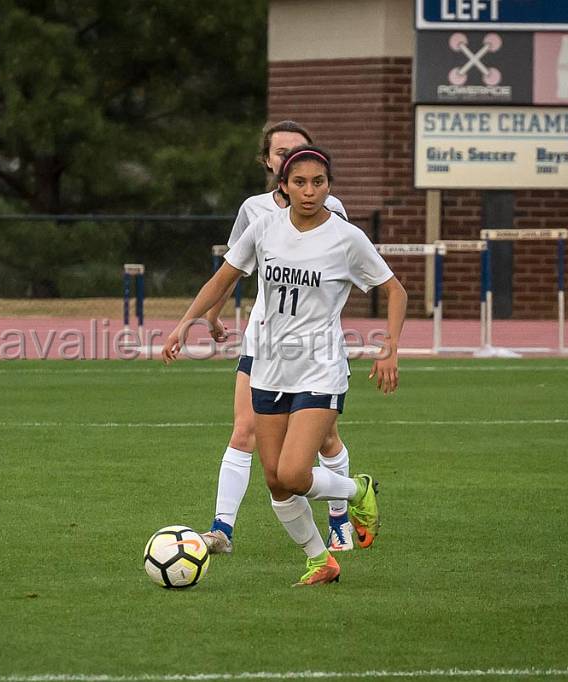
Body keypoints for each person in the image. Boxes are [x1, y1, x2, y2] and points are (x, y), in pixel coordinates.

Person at [163, 145, 407, 586]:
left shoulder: (346, 237)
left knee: (295, 473)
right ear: (283, 186)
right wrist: (186, 322)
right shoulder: (264, 228)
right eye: (300, 183)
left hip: (320, 367)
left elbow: (395, 290)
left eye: (319, 182)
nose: (310, 191)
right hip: (270, 368)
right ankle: (321, 560)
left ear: (329, 187)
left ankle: (357, 490)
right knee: (276, 483)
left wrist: (389, 348)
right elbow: (222, 279)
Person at [199, 121, 355, 555]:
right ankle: (222, 529)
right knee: (243, 428)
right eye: (281, 152)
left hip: (312, 349)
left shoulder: (330, 208)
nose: (289, 158)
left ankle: (341, 515)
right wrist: (211, 315)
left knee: (323, 441)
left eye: (299, 151)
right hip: (262, 341)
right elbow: (232, 268)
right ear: (269, 163)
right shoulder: (253, 210)